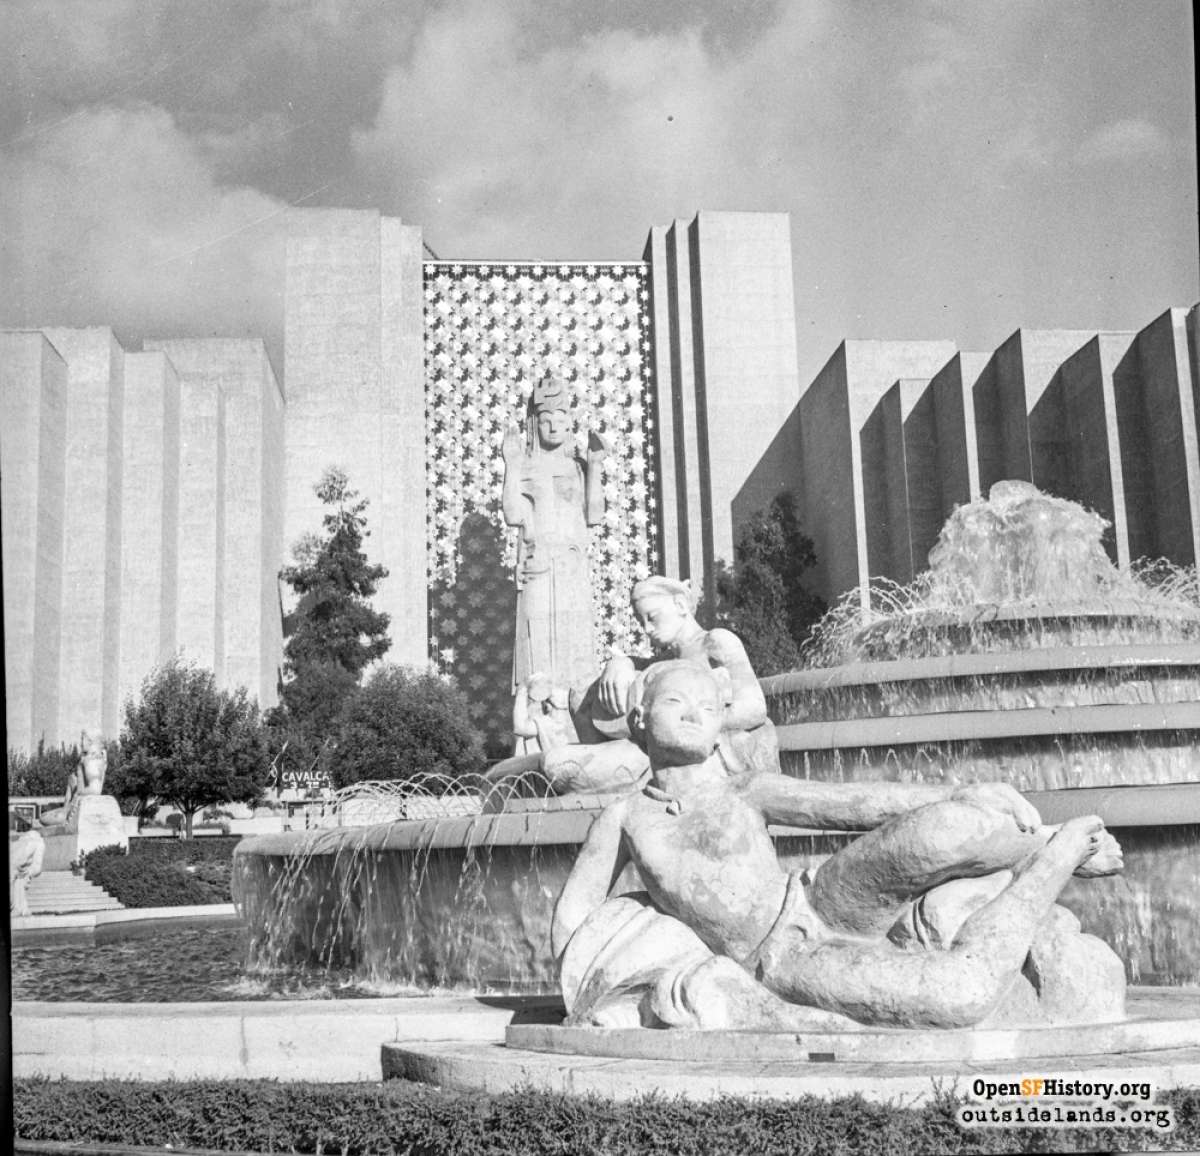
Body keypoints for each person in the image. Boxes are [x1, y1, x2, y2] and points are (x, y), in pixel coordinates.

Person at [551, 661, 1125, 1031]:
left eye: (709, 706)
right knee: (958, 998)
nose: (698, 714)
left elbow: (854, 805)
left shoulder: (745, 788)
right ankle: (1060, 854)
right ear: (639, 717)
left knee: (941, 829)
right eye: (678, 702)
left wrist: (963, 791)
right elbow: (575, 913)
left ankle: (1045, 839)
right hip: (780, 958)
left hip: (818, 899)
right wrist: (589, 984)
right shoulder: (626, 816)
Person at [501, 376, 607, 697]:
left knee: (576, 648)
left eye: (561, 420)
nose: (553, 427)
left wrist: (596, 467)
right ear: (536, 423)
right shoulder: (527, 464)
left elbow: (595, 514)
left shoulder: (577, 466)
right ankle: (536, 719)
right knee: (537, 647)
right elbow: (513, 514)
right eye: (546, 421)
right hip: (538, 565)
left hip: (572, 567)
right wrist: (511, 466)